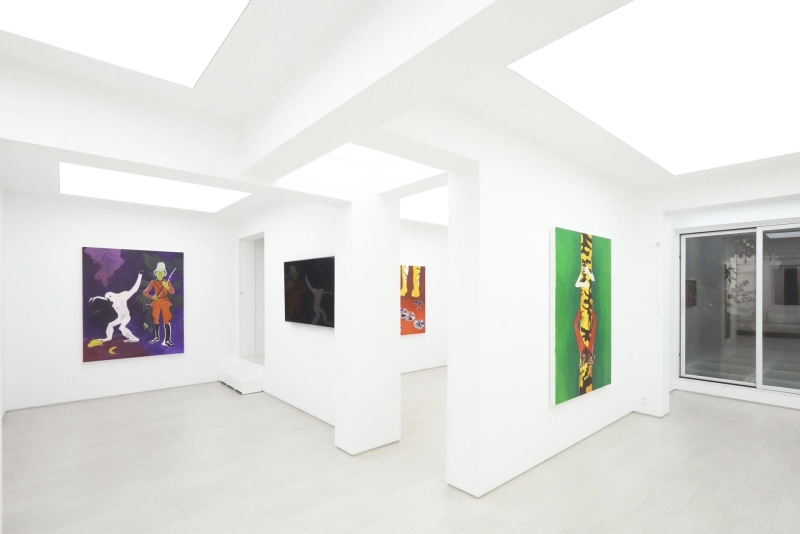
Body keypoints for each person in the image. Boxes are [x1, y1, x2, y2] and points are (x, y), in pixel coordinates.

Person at [89, 272, 143, 344]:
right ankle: (108, 338)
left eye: (109, 298)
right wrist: (97, 297)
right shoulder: (113, 300)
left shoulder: (122, 296)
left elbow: (134, 290)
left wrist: (139, 277)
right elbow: (106, 299)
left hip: (126, 316)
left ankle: (134, 338)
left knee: (121, 327)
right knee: (110, 324)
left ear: (112, 295)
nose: (109, 300)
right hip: (120, 317)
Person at [143, 262, 176, 348]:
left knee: (166, 320)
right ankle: (156, 337)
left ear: (164, 273)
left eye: (161, 272)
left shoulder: (167, 282)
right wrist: (152, 297)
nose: (160, 274)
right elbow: (145, 292)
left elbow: (172, 292)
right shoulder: (153, 282)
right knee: (156, 319)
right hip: (156, 302)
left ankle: (167, 340)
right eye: (158, 272)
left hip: (165, 302)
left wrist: (167, 286)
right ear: (156, 273)